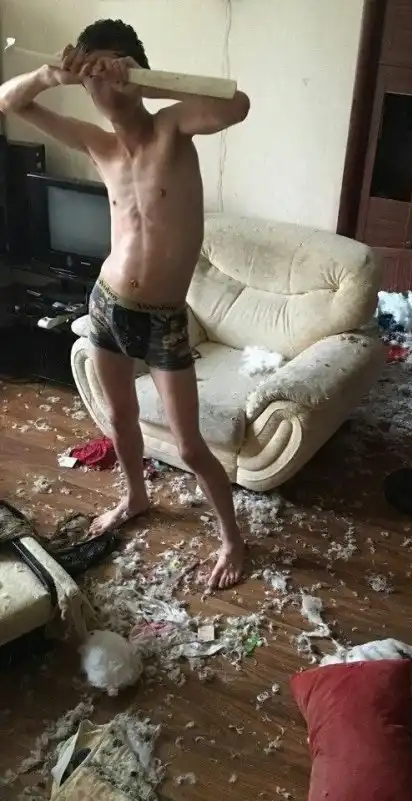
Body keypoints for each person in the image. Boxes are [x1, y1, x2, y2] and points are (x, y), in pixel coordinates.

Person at [0, 19, 250, 589]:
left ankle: (232, 540)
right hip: (107, 305)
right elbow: (7, 102)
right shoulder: (99, 144)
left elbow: (237, 105)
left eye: (114, 67)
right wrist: (53, 74)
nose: (104, 82)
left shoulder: (172, 128)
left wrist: (141, 80)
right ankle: (135, 496)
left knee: (189, 445)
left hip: (164, 321)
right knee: (119, 419)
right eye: (94, 72)